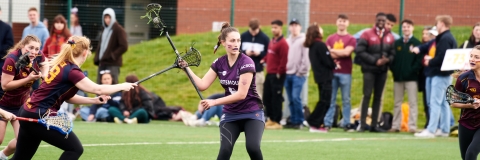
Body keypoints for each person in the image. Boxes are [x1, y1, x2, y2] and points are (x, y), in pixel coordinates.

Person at [11, 36, 136, 160]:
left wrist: (93, 101)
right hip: (38, 115)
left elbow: (68, 97)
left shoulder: (64, 65)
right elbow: (98, 89)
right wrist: (122, 86)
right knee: (75, 149)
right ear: (85, 52)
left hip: (27, 111)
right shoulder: (72, 71)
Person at [180, 22, 264, 160]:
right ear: (223, 42)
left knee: (252, 147)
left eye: (238, 40)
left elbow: (241, 94)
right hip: (231, 114)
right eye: (232, 40)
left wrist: (214, 102)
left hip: (252, 112)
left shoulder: (247, 62)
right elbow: (202, 84)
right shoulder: (219, 63)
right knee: (225, 150)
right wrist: (186, 68)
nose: (236, 44)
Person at [0, 35, 47, 160]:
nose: (34, 52)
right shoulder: (12, 60)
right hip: (2, 103)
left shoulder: (37, 55)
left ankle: (2, 155)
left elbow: (45, 62)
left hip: (20, 105)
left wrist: (45, 75)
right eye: (30, 48)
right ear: (22, 46)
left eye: (37, 49)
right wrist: (28, 79)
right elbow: (5, 86)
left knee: (22, 140)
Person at [413, 15, 457, 138]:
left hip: (440, 74)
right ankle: (444, 129)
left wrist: (430, 61)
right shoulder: (444, 37)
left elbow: (442, 56)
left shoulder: (445, 38)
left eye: (437, 23)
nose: (436, 25)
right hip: (443, 74)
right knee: (443, 102)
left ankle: (431, 129)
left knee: (435, 102)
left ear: (442, 23)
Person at [355, 12, 395, 132]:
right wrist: (374, 61)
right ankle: (362, 124)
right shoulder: (367, 34)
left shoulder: (389, 36)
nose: (381, 23)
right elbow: (360, 50)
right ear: (376, 20)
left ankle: (374, 124)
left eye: (383, 21)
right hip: (369, 70)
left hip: (382, 71)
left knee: (377, 97)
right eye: (379, 20)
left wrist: (387, 60)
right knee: (367, 95)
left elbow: (393, 53)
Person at [323, 14, 357, 131]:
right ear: (336, 22)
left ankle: (346, 123)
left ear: (347, 23)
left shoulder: (351, 39)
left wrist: (332, 50)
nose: (342, 23)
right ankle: (328, 123)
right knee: (331, 99)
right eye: (340, 21)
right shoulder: (330, 38)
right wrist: (338, 52)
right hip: (332, 72)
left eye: (344, 21)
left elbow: (347, 53)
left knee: (346, 99)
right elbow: (328, 55)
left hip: (345, 72)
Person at [388, 19, 422, 133]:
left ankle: (412, 126)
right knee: (397, 102)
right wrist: (395, 71)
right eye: (404, 27)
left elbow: (419, 61)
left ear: (412, 28)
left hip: (411, 79)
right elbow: (392, 60)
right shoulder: (397, 43)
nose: (406, 29)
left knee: (412, 102)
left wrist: (412, 71)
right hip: (398, 78)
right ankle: (395, 126)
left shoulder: (416, 43)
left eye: (408, 27)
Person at [304, 24, 335, 133]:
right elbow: (328, 61)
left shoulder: (312, 46)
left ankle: (316, 122)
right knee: (325, 101)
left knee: (324, 100)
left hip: (319, 77)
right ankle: (314, 122)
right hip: (325, 77)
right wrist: (334, 64)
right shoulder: (320, 45)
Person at [452, 45, 480, 160]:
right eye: (471, 56)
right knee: (466, 158)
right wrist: (470, 105)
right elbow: (453, 102)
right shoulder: (463, 78)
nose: (472, 59)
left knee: (471, 153)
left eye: (476, 57)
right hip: (466, 123)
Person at [283, 19, 310, 129]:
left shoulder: (304, 40)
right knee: (290, 98)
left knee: (296, 97)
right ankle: (293, 120)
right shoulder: (286, 41)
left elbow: (306, 58)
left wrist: (301, 71)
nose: (294, 27)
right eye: (292, 25)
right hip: (287, 73)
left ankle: (299, 120)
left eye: (296, 25)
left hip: (298, 74)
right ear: (289, 27)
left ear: (300, 27)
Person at [263, 19, 288, 129]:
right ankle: (271, 118)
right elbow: (269, 55)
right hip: (269, 73)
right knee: (267, 97)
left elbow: (284, 60)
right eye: (272, 27)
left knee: (276, 98)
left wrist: (279, 72)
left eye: (276, 28)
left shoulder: (283, 44)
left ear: (281, 28)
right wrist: (264, 59)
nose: (273, 30)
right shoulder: (272, 41)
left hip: (278, 75)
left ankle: (277, 121)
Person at [94, 8, 128, 84]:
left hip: (113, 63)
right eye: (105, 17)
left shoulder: (118, 29)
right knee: (100, 85)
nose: (107, 20)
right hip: (102, 62)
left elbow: (124, 46)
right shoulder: (104, 29)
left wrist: (112, 55)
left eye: (109, 17)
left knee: (112, 85)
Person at [240, 18, 269, 100]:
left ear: (259, 27)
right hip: (244, 70)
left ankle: (258, 111)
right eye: (251, 30)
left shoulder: (265, 38)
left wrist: (260, 54)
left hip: (258, 70)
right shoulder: (243, 36)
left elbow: (268, 54)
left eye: (255, 31)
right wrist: (245, 52)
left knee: (258, 93)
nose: (253, 33)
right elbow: (237, 51)